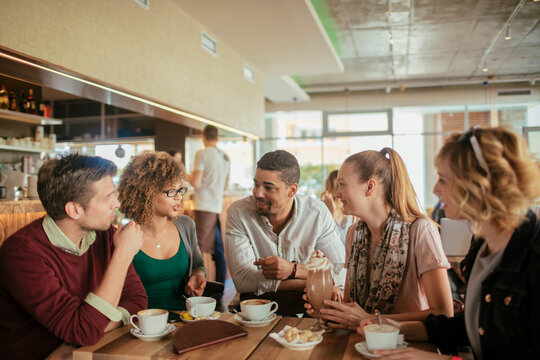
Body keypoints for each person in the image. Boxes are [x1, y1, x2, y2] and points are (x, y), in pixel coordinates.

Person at [361, 127, 540, 359]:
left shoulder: (534, 258)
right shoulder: (482, 246)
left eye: (443, 180)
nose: (436, 190)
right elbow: (475, 324)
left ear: (479, 184)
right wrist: (400, 329)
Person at [0, 154, 147, 360]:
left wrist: (78, 340)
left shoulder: (103, 234)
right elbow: (84, 330)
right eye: (107, 198)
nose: (116, 203)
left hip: (82, 353)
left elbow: (137, 300)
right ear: (74, 210)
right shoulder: (22, 254)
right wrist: (122, 255)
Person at [307, 148, 453, 328]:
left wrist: (369, 320)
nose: (337, 193)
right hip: (360, 344)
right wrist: (332, 309)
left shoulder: (420, 231)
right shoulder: (354, 234)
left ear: (370, 187)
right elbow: (352, 308)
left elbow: (444, 312)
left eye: (342, 184)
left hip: (408, 347)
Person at [225, 150, 345, 316]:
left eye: (268, 187)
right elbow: (243, 281)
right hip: (254, 308)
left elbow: (341, 272)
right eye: (256, 184)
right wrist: (312, 280)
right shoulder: (238, 212)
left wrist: (293, 270)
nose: (257, 193)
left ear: (292, 190)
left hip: (305, 307)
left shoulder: (317, 213)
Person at [118, 151, 207, 311]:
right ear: (147, 194)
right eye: (171, 191)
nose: (179, 197)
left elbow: (198, 265)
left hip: (184, 320)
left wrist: (198, 275)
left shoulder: (186, 225)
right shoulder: (126, 236)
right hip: (140, 325)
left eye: (180, 190)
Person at [187, 125, 230, 309]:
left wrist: (183, 174)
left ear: (203, 136)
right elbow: (226, 185)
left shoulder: (202, 154)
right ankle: (219, 292)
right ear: (217, 137)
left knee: (196, 249)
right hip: (216, 206)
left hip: (203, 205)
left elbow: (195, 182)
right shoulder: (224, 157)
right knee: (218, 250)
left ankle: (195, 290)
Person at [322, 169, 353, 243]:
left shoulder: (349, 208)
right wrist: (332, 213)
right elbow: (329, 240)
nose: (339, 192)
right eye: (337, 187)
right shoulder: (323, 208)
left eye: (342, 186)